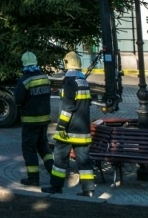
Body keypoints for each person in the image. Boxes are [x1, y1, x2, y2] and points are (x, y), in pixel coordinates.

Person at [44, 51, 96, 197]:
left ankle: (56, 187)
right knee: (84, 161)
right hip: (83, 130)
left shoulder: (69, 82)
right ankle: (89, 189)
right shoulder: (83, 81)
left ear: (67, 64)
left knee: (59, 159)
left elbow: (68, 108)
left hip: (68, 130)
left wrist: (61, 127)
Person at [14, 52, 53, 186]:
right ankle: (54, 173)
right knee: (43, 146)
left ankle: (33, 179)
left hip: (30, 121)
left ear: (23, 64)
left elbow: (18, 100)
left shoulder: (24, 80)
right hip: (44, 120)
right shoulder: (45, 78)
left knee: (29, 148)